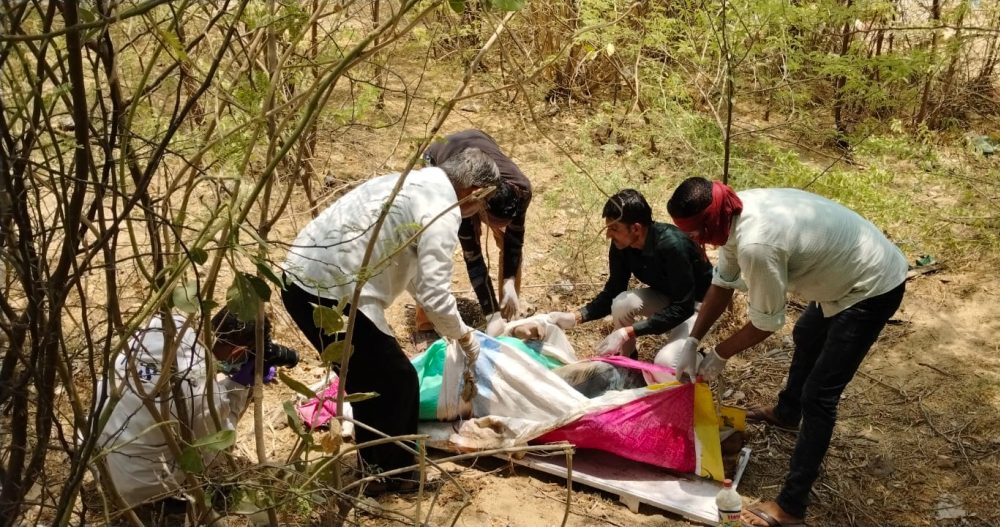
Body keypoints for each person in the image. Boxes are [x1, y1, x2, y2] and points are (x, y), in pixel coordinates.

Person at [666, 177, 906, 527]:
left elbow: (766, 322)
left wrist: (718, 354)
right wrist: (692, 341)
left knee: (819, 397)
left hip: (871, 286)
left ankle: (792, 506)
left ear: (710, 221)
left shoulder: (757, 243)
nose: (695, 241)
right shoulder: (730, 213)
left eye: (694, 233)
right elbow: (723, 283)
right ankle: (787, 412)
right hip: (842, 273)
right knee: (807, 333)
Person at [280, 148, 497, 494]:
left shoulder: (412, 183)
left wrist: (448, 325)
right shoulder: (442, 209)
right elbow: (436, 294)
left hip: (300, 279)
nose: (478, 211)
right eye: (481, 203)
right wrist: (464, 337)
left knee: (372, 380)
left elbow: (418, 276)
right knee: (398, 382)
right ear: (475, 191)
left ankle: (377, 470)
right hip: (329, 292)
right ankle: (394, 478)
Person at [97, 308, 294, 526]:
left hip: (102, 451)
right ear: (238, 351)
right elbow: (216, 449)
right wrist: (239, 387)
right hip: (141, 485)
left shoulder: (164, 326)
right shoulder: (203, 397)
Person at [548, 189, 712, 372]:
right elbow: (613, 290)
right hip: (668, 296)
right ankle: (627, 364)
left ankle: (700, 358)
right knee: (622, 303)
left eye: (614, 229)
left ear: (636, 228)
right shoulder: (622, 245)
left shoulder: (673, 245)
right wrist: (576, 317)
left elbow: (683, 307)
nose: (608, 235)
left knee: (666, 363)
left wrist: (628, 332)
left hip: (699, 306)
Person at [415, 129, 532, 336]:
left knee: (507, 242)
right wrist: (490, 315)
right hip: (441, 158)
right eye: (495, 223)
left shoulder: (521, 191)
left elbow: (515, 242)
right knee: (431, 242)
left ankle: (508, 315)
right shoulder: (461, 198)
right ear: (481, 207)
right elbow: (473, 259)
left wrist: (509, 281)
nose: (499, 227)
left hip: (480, 145)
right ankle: (426, 323)